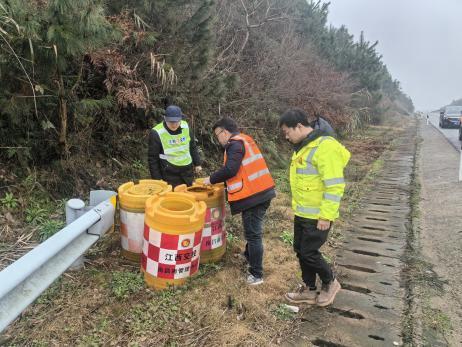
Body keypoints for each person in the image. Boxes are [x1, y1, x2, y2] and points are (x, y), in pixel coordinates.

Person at [279, 108, 350, 307]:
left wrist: (326, 216)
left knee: (309, 252)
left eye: (287, 132)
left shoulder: (325, 147)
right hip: (302, 212)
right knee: (300, 250)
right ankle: (309, 289)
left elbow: (334, 185)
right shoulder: (304, 147)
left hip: (318, 215)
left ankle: (331, 282)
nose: (286, 137)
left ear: (299, 126)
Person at [203, 117, 276, 285]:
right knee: (252, 231)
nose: (218, 139)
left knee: (253, 235)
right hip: (260, 193)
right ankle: (248, 256)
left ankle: (256, 274)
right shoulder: (244, 140)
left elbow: (230, 169)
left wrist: (211, 179)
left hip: (254, 197)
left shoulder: (234, 145)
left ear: (225, 132)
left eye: (217, 134)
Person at [148, 105, 202, 188]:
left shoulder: (185, 126)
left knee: (189, 197)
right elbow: (153, 159)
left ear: (181, 119)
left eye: (176, 122)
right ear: (165, 119)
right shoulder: (156, 132)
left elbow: (192, 146)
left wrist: (197, 163)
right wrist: (157, 180)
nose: (174, 125)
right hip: (169, 173)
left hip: (187, 171)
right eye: (171, 122)